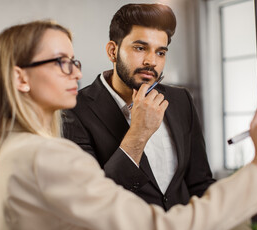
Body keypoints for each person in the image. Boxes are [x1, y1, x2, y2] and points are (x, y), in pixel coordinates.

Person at [0, 20, 257, 230]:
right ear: (20, 78)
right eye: (60, 62)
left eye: (75, 61)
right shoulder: (50, 156)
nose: (75, 74)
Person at [63, 3, 215, 211]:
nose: (151, 61)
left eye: (160, 53)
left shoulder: (181, 100)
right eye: (140, 48)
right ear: (112, 51)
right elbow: (91, 202)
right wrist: (139, 133)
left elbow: (200, 183)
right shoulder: (73, 110)